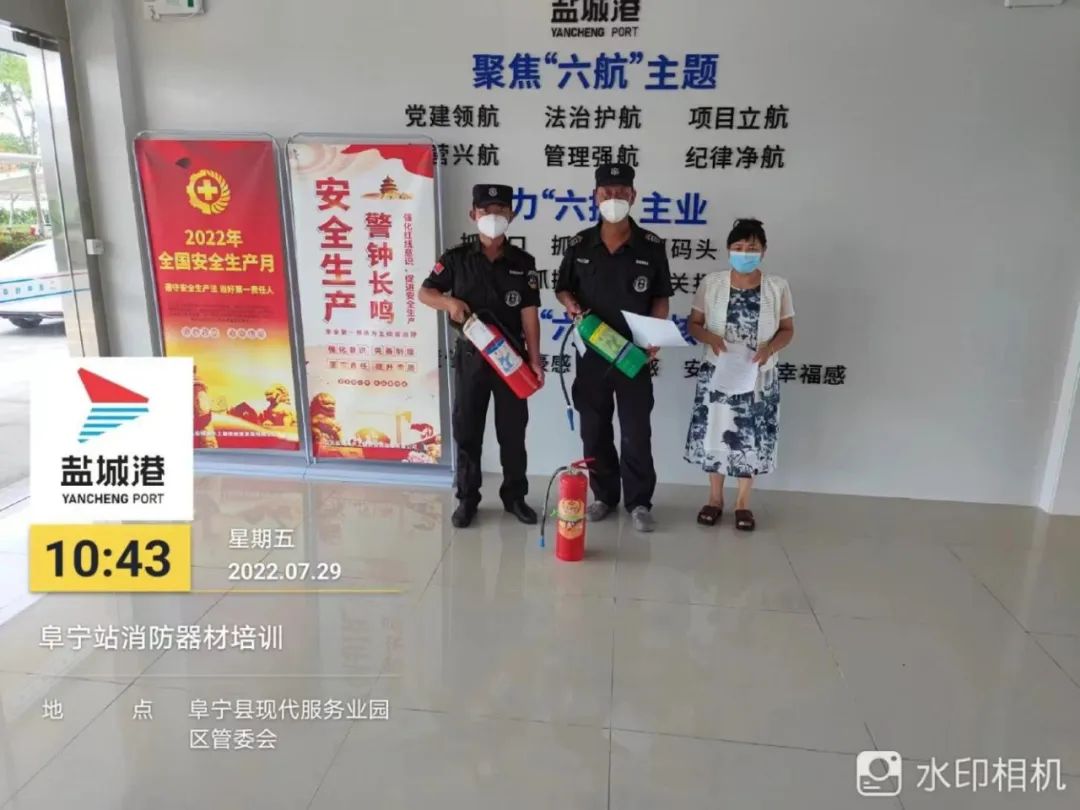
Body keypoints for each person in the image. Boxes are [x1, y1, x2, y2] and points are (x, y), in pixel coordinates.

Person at [555, 164, 672, 533]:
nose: (614, 199)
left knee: (636, 430)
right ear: (595, 196)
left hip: (632, 355)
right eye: (607, 193)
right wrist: (571, 305)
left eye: (622, 192)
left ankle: (639, 502)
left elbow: (660, 297)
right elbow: (562, 288)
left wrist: (654, 335)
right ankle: (604, 496)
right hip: (591, 353)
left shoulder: (651, 246)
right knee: (594, 429)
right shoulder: (579, 244)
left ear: (633, 196)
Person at [419, 184, 544, 529]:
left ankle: (515, 497)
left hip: (511, 361)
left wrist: (535, 360)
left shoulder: (523, 263)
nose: (493, 216)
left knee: (512, 433)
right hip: (471, 359)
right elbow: (425, 292)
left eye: (501, 210)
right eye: (486, 210)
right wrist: (448, 302)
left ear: (511, 215)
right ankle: (467, 499)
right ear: (473, 214)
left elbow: (530, 316)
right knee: (468, 431)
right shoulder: (456, 259)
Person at [684, 218, 795, 531]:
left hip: (758, 376)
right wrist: (710, 338)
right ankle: (714, 498)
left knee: (750, 435)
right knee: (716, 432)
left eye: (752, 247)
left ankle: (743, 503)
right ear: (728, 249)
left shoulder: (777, 287)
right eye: (738, 247)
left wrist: (770, 349)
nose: (745, 252)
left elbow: (788, 330)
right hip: (718, 372)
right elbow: (694, 324)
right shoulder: (712, 283)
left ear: (763, 251)